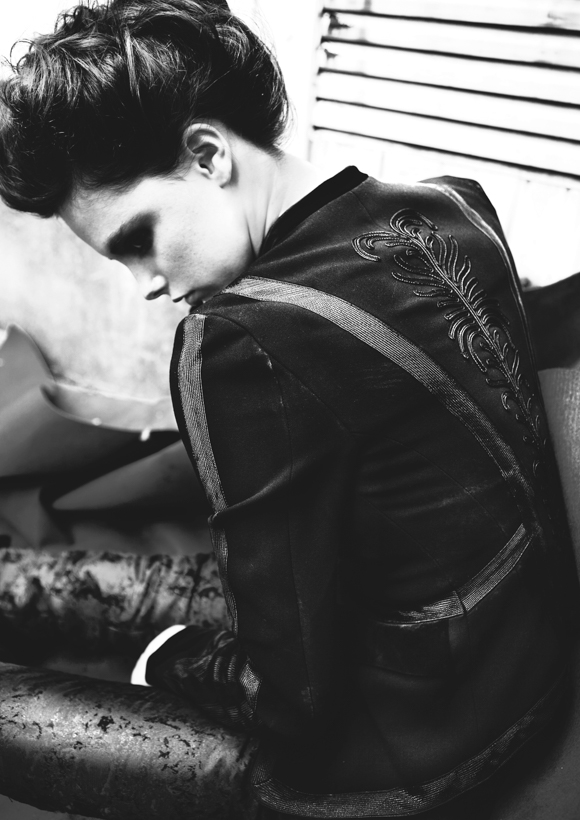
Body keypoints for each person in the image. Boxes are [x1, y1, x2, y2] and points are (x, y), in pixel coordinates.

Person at [0, 1, 578, 817]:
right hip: (521, 666)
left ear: (207, 155)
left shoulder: (240, 340)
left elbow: (287, 701)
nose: (147, 286)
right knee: (94, 584)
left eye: (138, 239)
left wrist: (168, 659)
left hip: (412, 751)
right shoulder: (455, 204)